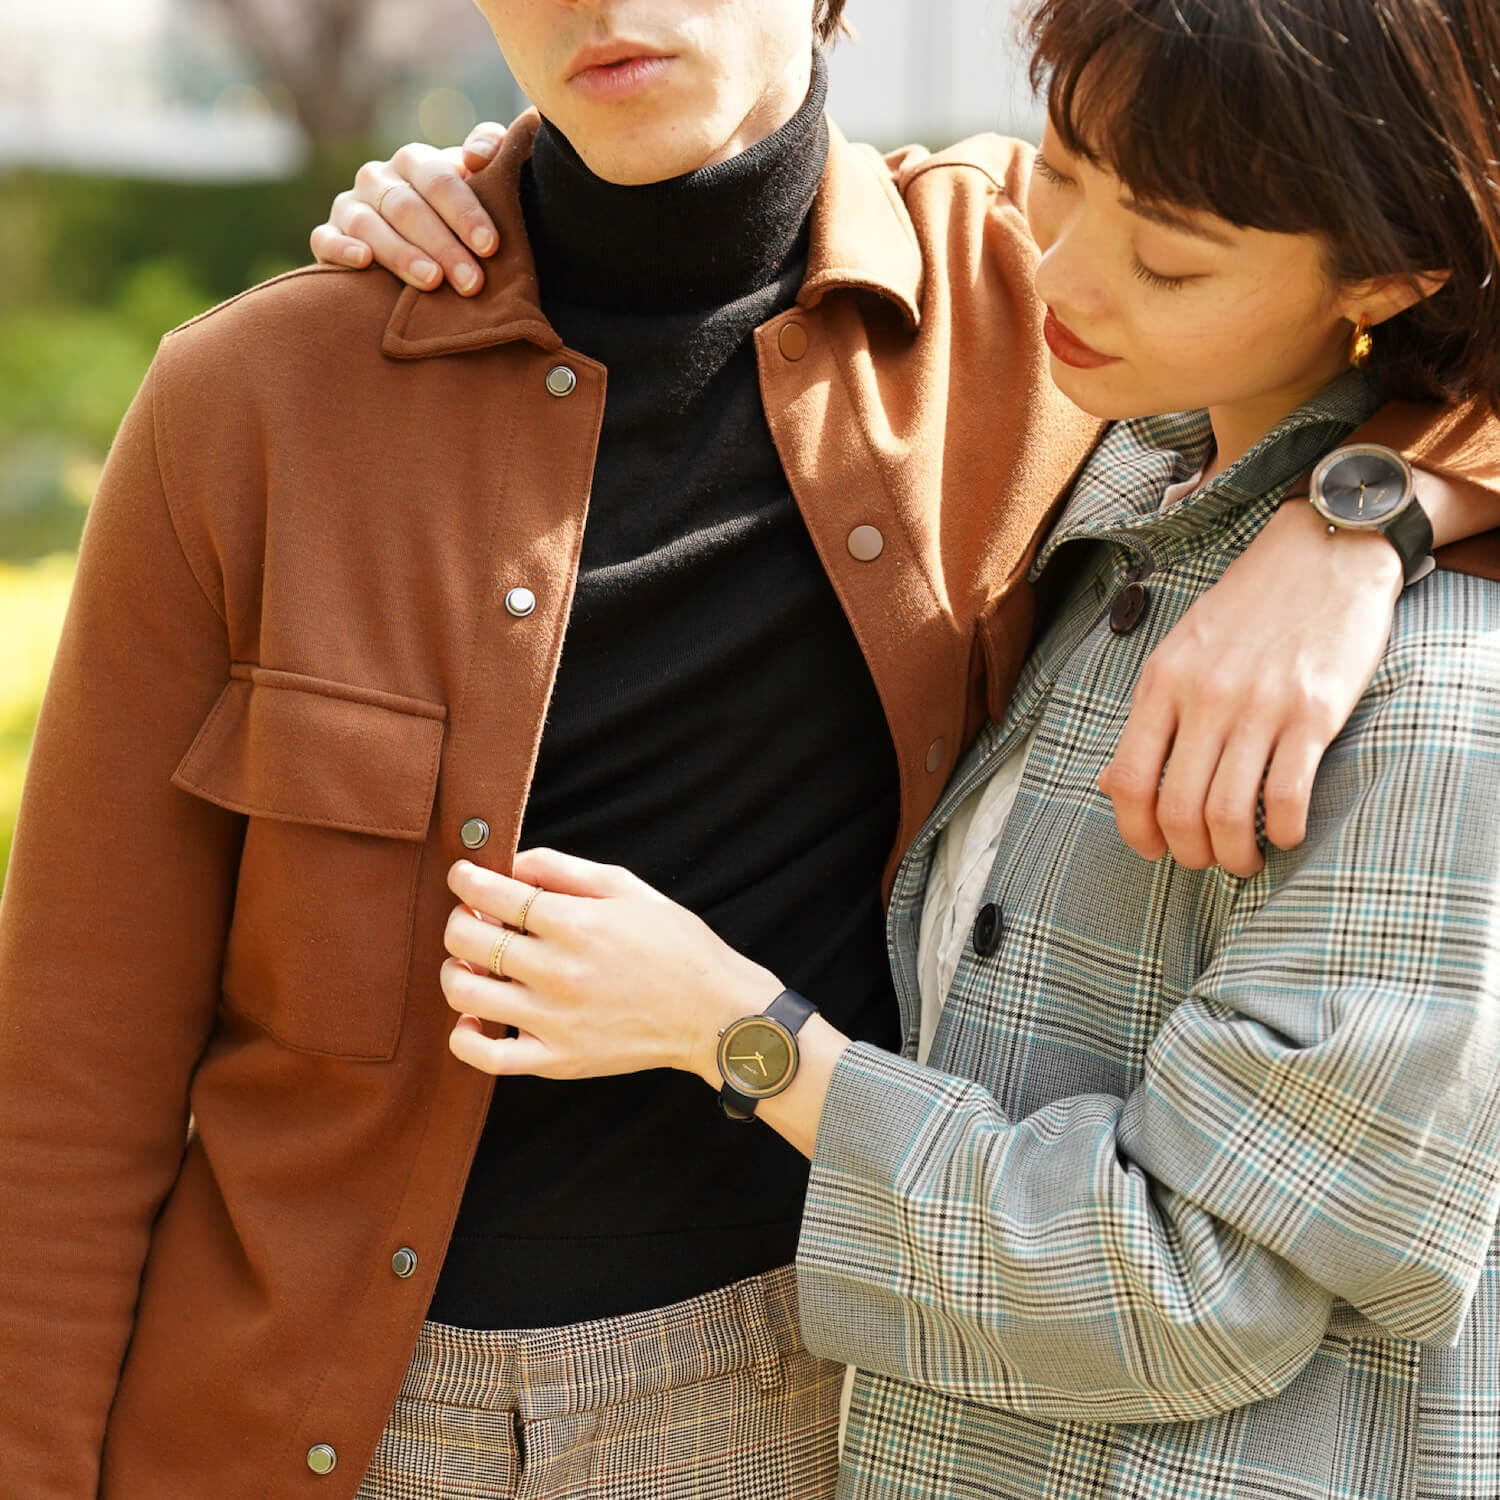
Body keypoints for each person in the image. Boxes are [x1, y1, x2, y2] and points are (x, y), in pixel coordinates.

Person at [1, 4, 1497, 1500]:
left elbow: (1398, 248)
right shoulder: (253, 401)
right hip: (302, 1424)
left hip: (799, 1410)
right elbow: (71, 1075)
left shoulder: (1035, 313)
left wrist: (1369, 515)